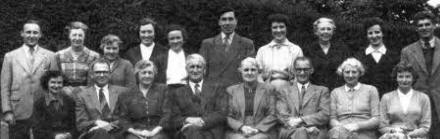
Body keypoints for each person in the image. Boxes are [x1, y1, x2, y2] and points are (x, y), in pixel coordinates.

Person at [1, 19, 55, 139]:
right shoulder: (10, 56)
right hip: (18, 110)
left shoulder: (50, 56)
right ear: (22, 33)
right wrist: (7, 110)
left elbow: (56, 85)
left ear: (40, 34)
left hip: (44, 110)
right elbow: (4, 86)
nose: (32, 35)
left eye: (35, 33)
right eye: (28, 32)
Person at [168, 54, 228, 139]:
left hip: (212, 131)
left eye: (199, 67)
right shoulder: (178, 92)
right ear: (186, 69)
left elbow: (222, 113)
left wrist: (202, 121)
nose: (195, 70)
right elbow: (174, 118)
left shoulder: (217, 88)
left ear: (204, 70)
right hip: (187, 132)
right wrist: (188, 119)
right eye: (192, 67)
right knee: (192, 131)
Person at [400, 11, 440, 136]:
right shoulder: (407, 51)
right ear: (416, 29)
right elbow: (403, 80)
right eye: (420, 25)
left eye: (427, 24)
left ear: (434, 25)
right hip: (418, 105)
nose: (424, 28)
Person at [276, 57, 330, 139]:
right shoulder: (283, 91)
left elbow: (324, 115)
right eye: (299, 70)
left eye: (306, 69)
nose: (302, 73)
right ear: (294, 71)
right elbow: (281, 115)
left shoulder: (322, 90)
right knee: (301, 132)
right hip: (290, 131)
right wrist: (304, 129)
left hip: (316, 130)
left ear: (311, 70)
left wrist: (301, 120)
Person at [199, 7, 255, 86]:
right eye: (224, 19)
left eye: (230, 19)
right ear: (219, 22)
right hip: (213, 91)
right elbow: (201, 71)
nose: (227, 23)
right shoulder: (207, 44)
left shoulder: (247, 44)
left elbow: (251, 72)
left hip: (238, 90)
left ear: (236, 22)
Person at [115, 60, 171, 139]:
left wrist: (153, 132)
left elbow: (167, 114)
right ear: (137, 74)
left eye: (150, 73)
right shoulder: (126, 94)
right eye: (143, 72)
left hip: (158, 130)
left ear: (154, 74)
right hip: (134, 131)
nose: (147, 76)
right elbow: (122, 118)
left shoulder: (163, 90)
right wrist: (136, 132)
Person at [74, 59, 129, 139]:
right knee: (100, 133)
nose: (102, 75)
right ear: (92, 75)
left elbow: (126, 118)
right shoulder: (82, 95)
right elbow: (81, 124)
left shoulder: (122, 92)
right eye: (98, 72)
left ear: (110, 74)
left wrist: (107, 126)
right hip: (92, 134)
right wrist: (96, 122)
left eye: (105, 72)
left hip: (117, 133)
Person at [226, 57, 277, 139]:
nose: (249, 73)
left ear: (258, 72)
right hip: (238, 131)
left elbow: (273, 114)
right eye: (246, 70)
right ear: (240, 71)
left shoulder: (269, 89)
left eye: (253, 70)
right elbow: (227, 115)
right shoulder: (231, 90)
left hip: (262, 131)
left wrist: (257, 129)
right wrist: (242, 127)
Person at [328, 58, 380, 139]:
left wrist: (357, 126)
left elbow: (376, 119)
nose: (350, 75)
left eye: (354, 72)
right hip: (340, 134)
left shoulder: (371, 90)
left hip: (364, 134)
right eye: (347, 72)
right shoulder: (335, 92)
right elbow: (332, 119)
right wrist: (342, 128)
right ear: (342, 73)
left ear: (360, 73)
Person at [379, 62, 431, 139]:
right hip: (392, 136)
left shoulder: (423, 98)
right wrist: (395, 132)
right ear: (396, 78)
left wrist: (410, 135)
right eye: (400, 76)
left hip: (416, 137)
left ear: (413, 78)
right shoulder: (386, 97)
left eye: (408, 76)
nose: (404, 80)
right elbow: (382, 126)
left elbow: (425, 126)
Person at [355, 17, 399, 97]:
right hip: (365, 101)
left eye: (377, 32)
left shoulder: (394, 56)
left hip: (389, 101)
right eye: (370, 33)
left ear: (383, 33)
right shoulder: (358, 57)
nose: (374, 36)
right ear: (366, 35)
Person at [303, 17, 351, 90]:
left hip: (338, 90)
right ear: (316, 32)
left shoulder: (342, 49)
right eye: (322, 29)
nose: (326, 32)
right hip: (315, 91)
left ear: (333, 32)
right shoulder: (308, 50)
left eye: (329, 29)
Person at [256, 13, 303, 87]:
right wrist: (263, 88)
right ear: (270, 29)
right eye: (275, 27)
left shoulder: (296, 50)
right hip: (267, 92)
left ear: (286, 28)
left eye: (281, 27)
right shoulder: (262, 51)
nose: (278, 30)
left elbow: (300, 74)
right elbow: (258, 75)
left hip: (289, 92)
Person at [53, 21, 100, 87]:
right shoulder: (59, 55)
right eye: (74, 35)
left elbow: (93, 80)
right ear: (69, 36)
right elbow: (56, 79)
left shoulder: (94, 56)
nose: (77, 38)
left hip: (86, 94)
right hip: (64, 93)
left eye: (80, 35)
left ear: (84, 37)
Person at [32, 70, 77, 139]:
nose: (56, 86)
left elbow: (74, 125)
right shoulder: (39, 104)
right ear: (47, 83)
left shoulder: (70, 101)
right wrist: (54, 136)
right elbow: (37, 130)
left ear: (63, 84)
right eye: (53, 82)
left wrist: (69, 135)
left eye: (59, 83)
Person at [123, 17, 168, 83]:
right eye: (143, 32)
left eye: (149, 32)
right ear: (139, 33)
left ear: (155, 33)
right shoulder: (130, 53)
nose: (146, 35)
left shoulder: (165, 52)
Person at [160, 24, 189, 90]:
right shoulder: (160, 59)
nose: (175, 41)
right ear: (168, 41)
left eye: (178, 38)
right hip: (166, 93)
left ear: (183, 39)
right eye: (172, 39)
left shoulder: (190, 58)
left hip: (185, 92)